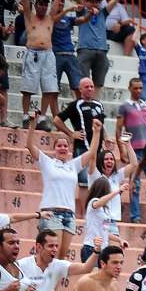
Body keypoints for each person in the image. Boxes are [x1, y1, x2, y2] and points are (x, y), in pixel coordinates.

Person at [30, 110, 102, 261]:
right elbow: (29, 145)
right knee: (51, 256)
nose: (62, 148)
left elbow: (92, 152)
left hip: (69, 215)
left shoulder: (73, 165)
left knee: (61, 260)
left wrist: (96, 132)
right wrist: (33, 123)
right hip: (51, 213)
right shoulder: (47, 162)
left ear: (69, 149)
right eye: (59, 146)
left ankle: (54, 286)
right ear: (54, 149)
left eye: (65, 146)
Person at [115, 78, 146, 225]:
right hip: (133, 150)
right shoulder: (124, 106)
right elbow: (118, 129)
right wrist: (122, 149)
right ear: (130, 88)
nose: (139, 91)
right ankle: (135, 216)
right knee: (134, 184)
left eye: (141, 88)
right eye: (136, 88)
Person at [19, 0, 62, 122]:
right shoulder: (29, 17)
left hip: (48, 55)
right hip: (32, 54)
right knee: (27, 88)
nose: (43, 7)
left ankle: (42, 117)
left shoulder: (50, 18)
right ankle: (25, 116)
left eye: (45, 5)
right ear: (36, 5)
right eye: (41, 4)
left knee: (49, 88)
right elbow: (26, 1)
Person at [75, 0, 119, 89]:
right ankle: (85, 102)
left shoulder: (103, 12)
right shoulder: (82, 11)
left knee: (99, 83)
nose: (94, 3)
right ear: (86, 2)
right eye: (91, 1)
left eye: (96, 1)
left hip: (101, 51)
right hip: (85, 49)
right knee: (84, 81)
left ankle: (95, 103)